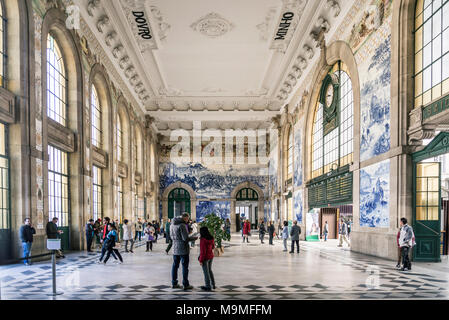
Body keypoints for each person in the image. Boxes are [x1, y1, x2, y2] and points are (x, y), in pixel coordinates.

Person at [170, 213, 198, 290]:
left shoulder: (172, 225)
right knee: (185, 266)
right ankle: (185, 284)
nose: (188, 220)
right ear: (185, 217)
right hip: (183, 249)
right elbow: (185, 238)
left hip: (175, 248)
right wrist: (194, 238)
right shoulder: (182, 225)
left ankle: (174, 283)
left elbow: (171, 236)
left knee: (175, 266)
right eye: (188, 218)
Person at [199, 226, 216, 291]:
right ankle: (213, 284)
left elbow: (203, 252)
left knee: (206, 272)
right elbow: (213, 247)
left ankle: (208, 286)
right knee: (210, 270)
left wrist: (201, 260)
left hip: (205, 257)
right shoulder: (211, 238)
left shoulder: (203, 240)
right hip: (211, 256)